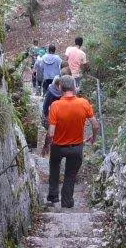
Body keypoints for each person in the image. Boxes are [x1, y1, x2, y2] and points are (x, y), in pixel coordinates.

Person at [42, 76, 100, 209]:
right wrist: (93, 137)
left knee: (54, 168)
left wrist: (46, 146)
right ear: (74, 88)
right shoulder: (84, 103)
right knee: (70, 174)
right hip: (76, 147)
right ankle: (67, 202)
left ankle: (53, 196)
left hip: (58, 146)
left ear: (60, 88)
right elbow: (96, 125)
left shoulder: (55, 105)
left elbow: (51, 133)